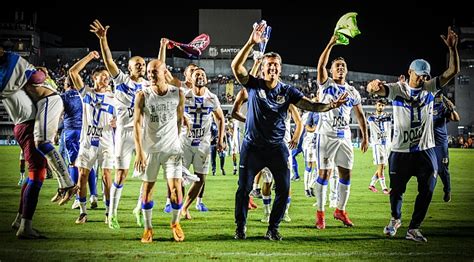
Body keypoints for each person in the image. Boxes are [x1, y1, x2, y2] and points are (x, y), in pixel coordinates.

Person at [231, 23, 347, 241]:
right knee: (243, 189)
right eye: (269, 65)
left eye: (276, 65)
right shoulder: (254, 85)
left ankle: (273, 228)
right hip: (252, 147)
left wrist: (330, 106)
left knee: (284, 190)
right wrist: (250, 43)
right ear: (262, 68)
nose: (272, 68)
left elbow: (310, 105)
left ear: (280, 69)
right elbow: (236, 68)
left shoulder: (287, 91)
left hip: (277, 149)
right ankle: (240, 227)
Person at [367, 26, 459, 242]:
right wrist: (372, 87)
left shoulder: (430, 87)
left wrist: (453, 49)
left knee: (427, 190)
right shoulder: (398, 89)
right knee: (396, 191)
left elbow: (452, 72)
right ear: (410, 72)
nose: (423, 78)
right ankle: (395, 218)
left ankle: (414, 228)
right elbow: (379, 90)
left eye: (425, 75)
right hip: (400, 151)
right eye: (419, 74)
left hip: (425, 152)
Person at [90, 19, 147, 229]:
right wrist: (103, 39)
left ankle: (139, 209)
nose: (141, 66)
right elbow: (109, 61)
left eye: (143, 63)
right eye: (137, 64)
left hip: (143, 134)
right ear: (130, 67)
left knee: (147, 176)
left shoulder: (149, 85)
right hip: (124, 134)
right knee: (120, 174)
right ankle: (112, 213)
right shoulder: (121, 80)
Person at [313, 34, 369, 230]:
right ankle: (320, 215)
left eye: (342, 66)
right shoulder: (326, 85)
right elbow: (320, 66)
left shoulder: (353, 92)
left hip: (344, 137)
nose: (340, 68)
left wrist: (365, 137)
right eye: (336, 66)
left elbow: (360, 116)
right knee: (324, 174)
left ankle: (340, 210)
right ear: (331, 70)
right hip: (325, 136)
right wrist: (330, 43)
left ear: (346, 70)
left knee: (346, 174)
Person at [133, 59, 185, 243]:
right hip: (151, 150)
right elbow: (137, 125)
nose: (150, 75)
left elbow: (179, 119)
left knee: (176, 191)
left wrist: (176, 140)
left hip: (172, 150)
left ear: (164, 72)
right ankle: (148, 229)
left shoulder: (177, 93)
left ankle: (175, 223)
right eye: (148, 72)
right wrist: (139, 152)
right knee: (148, 189)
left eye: (154, 71)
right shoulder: (142, 95)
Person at [69, 51, 116, 225]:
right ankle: (82, 212)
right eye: (102, 76)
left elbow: (124, 115)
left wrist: (117, 121)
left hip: (105, 141)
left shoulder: (113, 97)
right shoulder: (86, 93)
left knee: (106, 175)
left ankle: (108, 212)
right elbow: (73, 73)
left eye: (107, 76)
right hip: (88, 141)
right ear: (94, 78)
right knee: (82, 175)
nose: (106, 79)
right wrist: (89, 57)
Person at [180, 67, 226, 220]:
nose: (200, 76)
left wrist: (220, 139)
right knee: (178, 178)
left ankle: (185, 208)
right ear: (190, 79)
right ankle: (177, 206)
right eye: (197, 74)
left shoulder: (212, 97)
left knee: (200, 179)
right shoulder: (183, 95)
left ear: (206, 79)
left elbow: (220, 118)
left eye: (203, 75)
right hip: (184, 142)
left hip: (203, 144)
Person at [60, 75, 99, 210]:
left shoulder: (64, 96)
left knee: (73, 164)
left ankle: (77, 198)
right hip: (86, 131)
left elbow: (59, 113)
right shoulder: (85, 94)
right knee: (89, 164)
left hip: (71, 131)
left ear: (66, 84)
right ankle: (93, 195)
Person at [433, 92, 460, 202]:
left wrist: (452, 109)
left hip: (440, 144)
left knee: (442, 169)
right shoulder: (424, 106)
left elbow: (456, 119)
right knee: (428, 169)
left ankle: (447, 190)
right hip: (427, 143)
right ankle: (427, 192)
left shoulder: (442, 108)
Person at [367, 99, 392, 194]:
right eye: (379, 105)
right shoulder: (371, 118)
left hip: (387, 145)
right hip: (378, 145)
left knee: (383, 167)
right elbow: (372, 119)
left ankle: (372, 184)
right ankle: (384, 188)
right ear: (375, 106)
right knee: (381, 167)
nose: (380, 107)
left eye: (382, 105)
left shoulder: (388, 117)